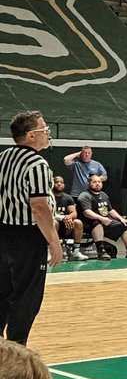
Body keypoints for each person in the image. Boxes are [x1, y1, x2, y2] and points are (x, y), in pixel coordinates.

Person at [0, 112, 63, 345]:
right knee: (27, 295)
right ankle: (17, 348)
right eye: (44, 129)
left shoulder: (4, 156)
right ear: (31, 135)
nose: (47, 133)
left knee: (3, 291)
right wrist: (55, 243)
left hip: (3, 232)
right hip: (27, 236)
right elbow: (38, 206)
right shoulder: (37, 164)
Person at [77, 174, 127, 260]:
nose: (97, 184)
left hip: (104, 221)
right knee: (97, 223)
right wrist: (101, 218)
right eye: (94, 182)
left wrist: (121, 219)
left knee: (125, 225)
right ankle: (101, 251)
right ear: (88, 184)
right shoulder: (84, 195)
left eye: (99, 182)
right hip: (88, 224)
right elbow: (87, 213)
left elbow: (110, 210)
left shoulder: (104, 195)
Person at [52, 175, 88, 260]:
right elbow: (49, 214)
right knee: (54, 222)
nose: (59, 184)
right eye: (57, 182)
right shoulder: (48, 197)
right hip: (52, 225)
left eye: (61, 182)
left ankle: (76, 251)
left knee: (78, 222)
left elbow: (74, 213)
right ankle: (51, 251)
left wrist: (69, 217)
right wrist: (63, 218)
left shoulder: (67, 197)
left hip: (66, 226)